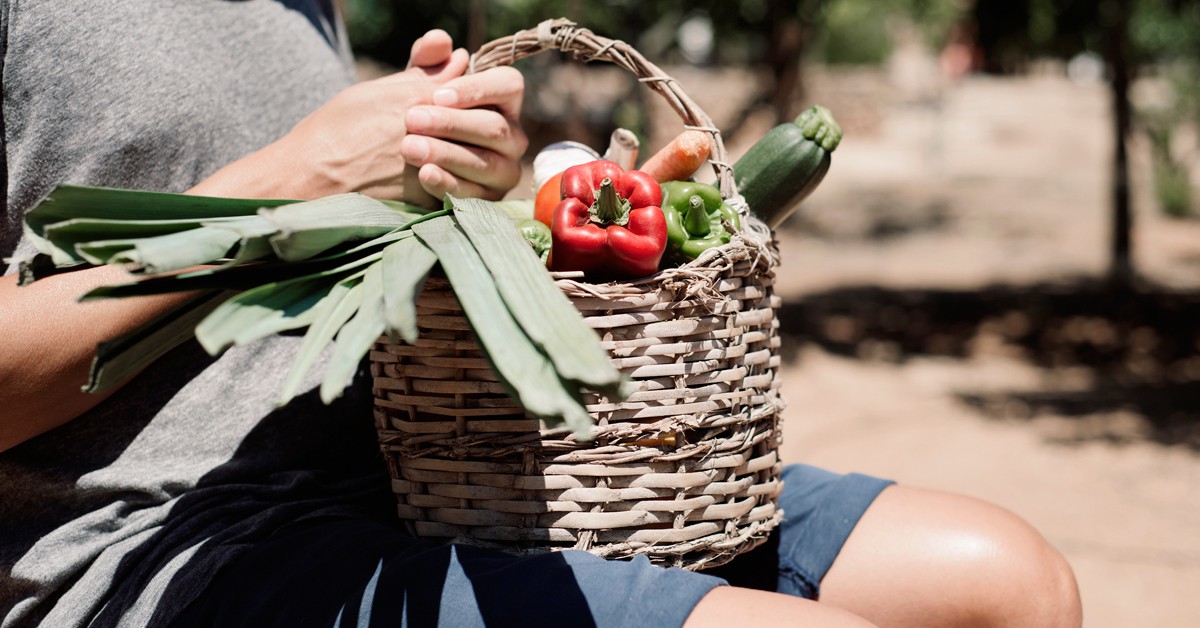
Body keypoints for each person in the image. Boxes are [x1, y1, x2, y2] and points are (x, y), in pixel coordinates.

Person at [0, 2, 1081, 627]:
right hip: (159, 551)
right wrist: (293, 180)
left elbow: (321, 251)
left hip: (428, 475)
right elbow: (284, 191)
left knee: (1009, 583)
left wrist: (440, 180)